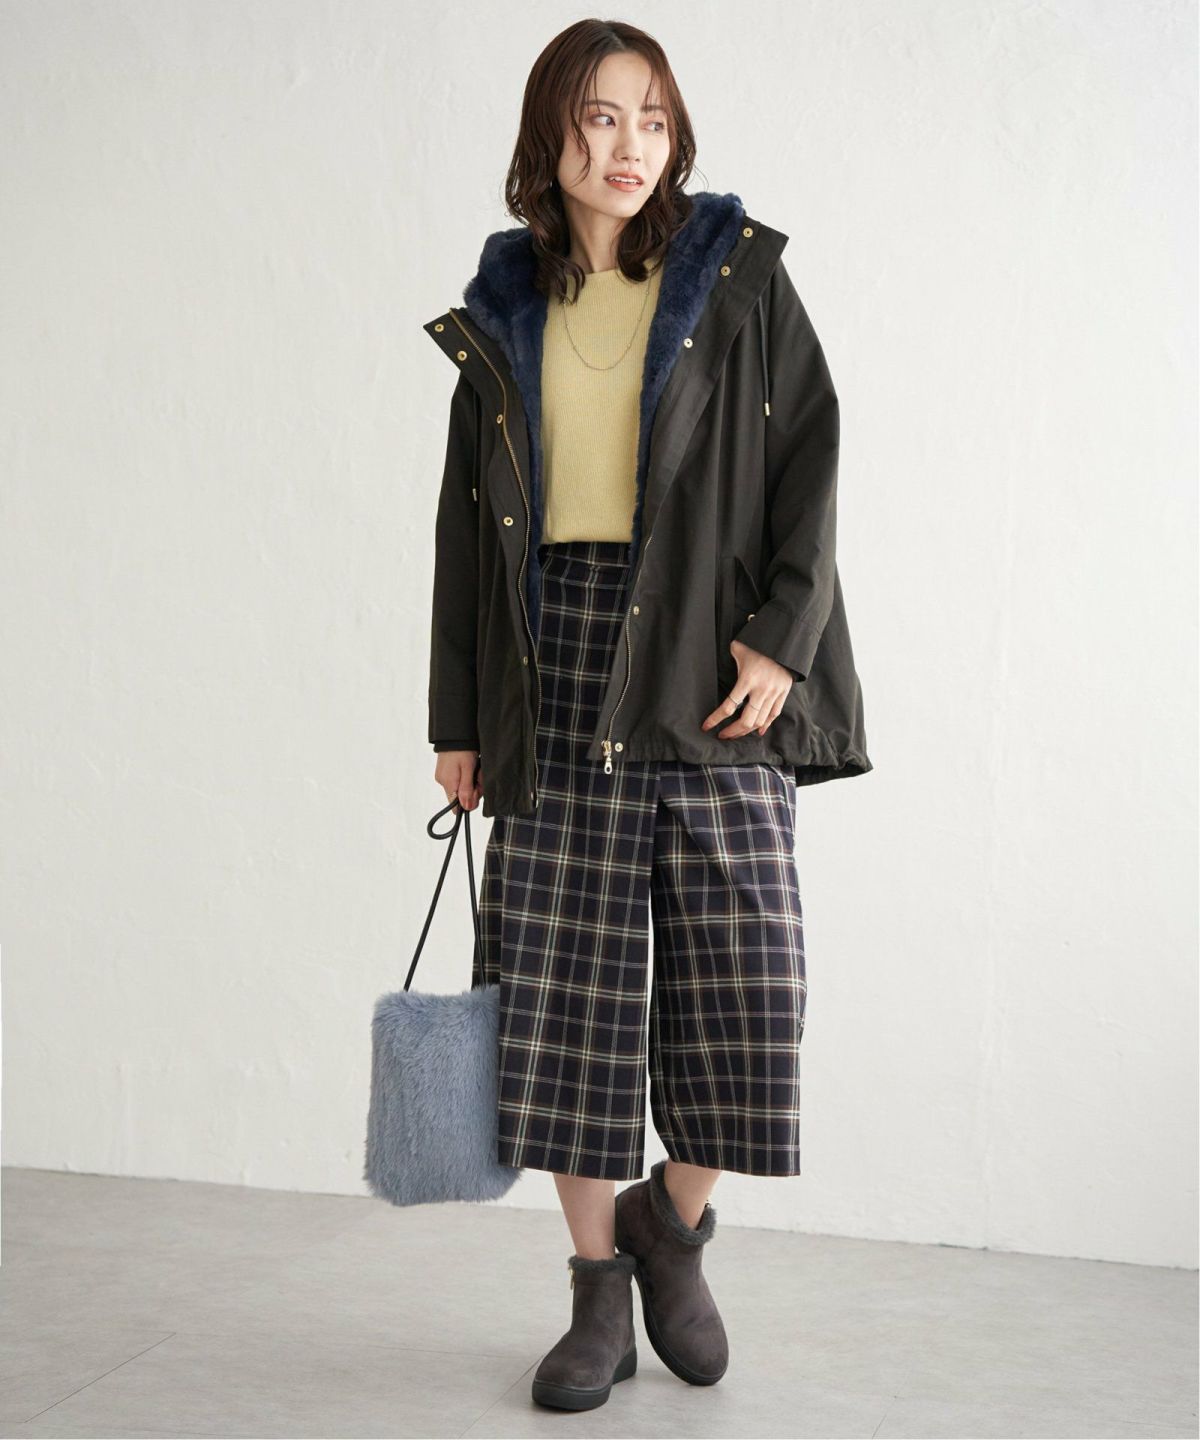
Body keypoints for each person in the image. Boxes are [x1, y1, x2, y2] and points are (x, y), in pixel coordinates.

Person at [422, 17, 872, 1414]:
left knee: (749, 988)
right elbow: (464, 535)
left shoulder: (736, 280)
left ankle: (669, 1227)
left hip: (707, 662)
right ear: (551, 134)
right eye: (603, 117)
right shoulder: (503, 312)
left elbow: (813, 458)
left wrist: (784, 638)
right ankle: (595, 1291)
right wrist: (458, 717)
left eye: (654, 119)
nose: (630, 146)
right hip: (551, 666)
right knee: (565, 1004)